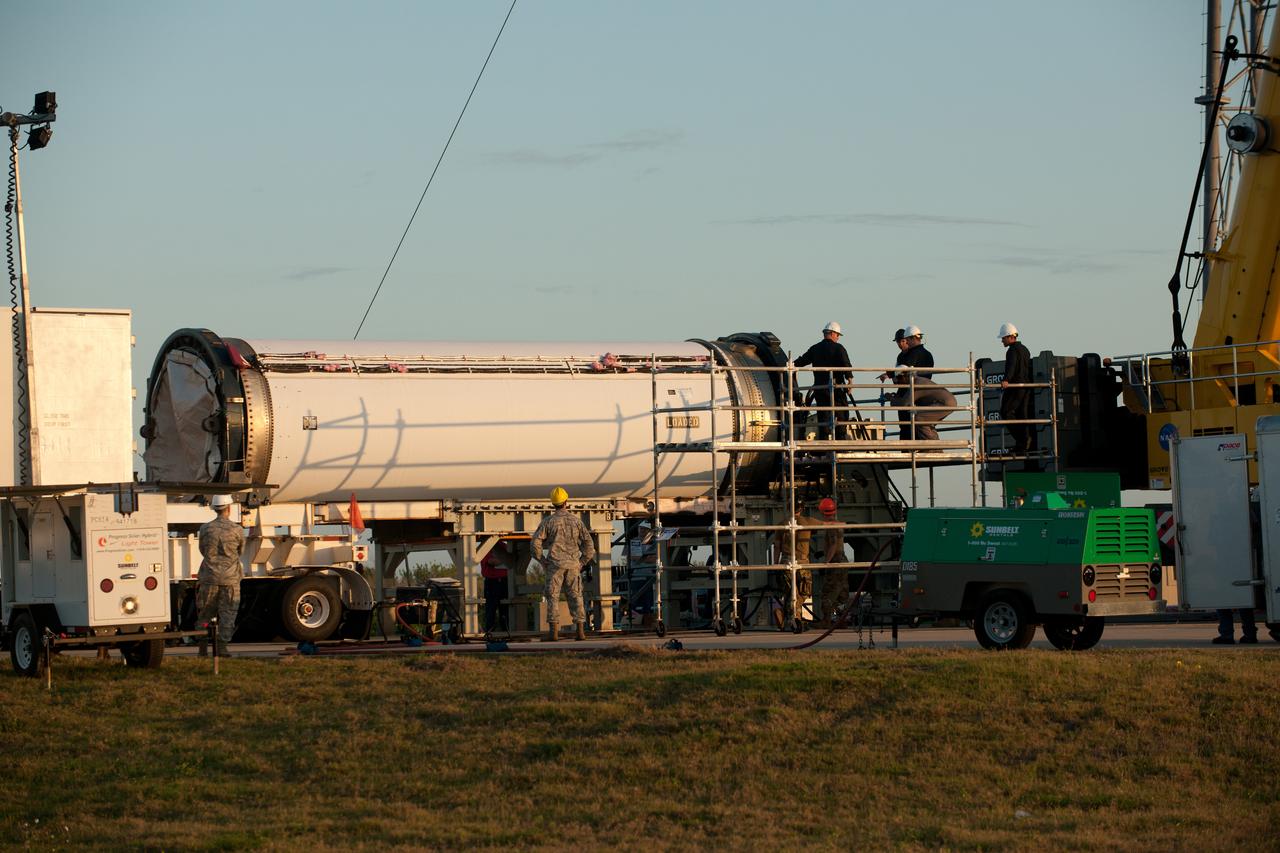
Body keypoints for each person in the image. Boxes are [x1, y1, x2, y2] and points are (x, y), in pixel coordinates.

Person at [531, 486, 596, 641]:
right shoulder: (577, 521)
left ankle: (553, 633)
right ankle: (580, 631)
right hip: (573, 565)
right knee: (576, 596)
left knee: (552, 596)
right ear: (566, 501)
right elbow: (589, 545)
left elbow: (535, 543)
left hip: (554, 565)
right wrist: (582, 561)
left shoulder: (548, 522)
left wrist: (542, 560)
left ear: (553, 503)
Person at [771, 503, 842, 628]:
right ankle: (795, 618)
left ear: (788, 508)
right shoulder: (808, 521)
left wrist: (775, 564)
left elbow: (777, 546)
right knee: (804, 592)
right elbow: (826, 525)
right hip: (803, 562)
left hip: (785, 561)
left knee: (790, 593)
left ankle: (786, 617)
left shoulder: (781, 524)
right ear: (802, 509)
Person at [196, 494, 246, 657]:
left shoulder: (205, 529)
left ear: (215, 509)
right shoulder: (237, 530)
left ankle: (202, 648)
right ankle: (222, 647)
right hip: (230, 578)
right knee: (228, 614)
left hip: (209, 577)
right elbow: (241, 551)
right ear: (229, 508)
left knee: (205, 613)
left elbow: (202, 550)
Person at [889, 324, 955, 440]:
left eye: (906, 340)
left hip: (913, 394)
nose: (904, 343)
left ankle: (924, 450)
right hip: (925, 397)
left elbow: (904, 402)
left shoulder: (911, 356)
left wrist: (892, 399)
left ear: (912, 338)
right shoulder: (927, 354)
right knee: (925, 424)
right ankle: (930, 449)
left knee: (911, 424)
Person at [794, 321, 852, 440]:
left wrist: (789, 365)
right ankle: (841, 447)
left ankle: (824, 449)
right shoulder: (839, 348)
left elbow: (801, 361)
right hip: (837, 390)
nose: (838, 338)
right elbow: (846, 365)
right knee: (842, 417)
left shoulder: (815, 348)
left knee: (823, 419)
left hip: (820, 389)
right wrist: (850, 382)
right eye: (837, 335)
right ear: (832, 333)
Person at [999, 323, 1036, 458]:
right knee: (1022, 415)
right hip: (1026, 386)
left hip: (1015, 386)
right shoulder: (1025, 349)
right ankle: (1024, 444)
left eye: (1003, 338)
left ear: (1010, 337)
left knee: (1006, 412)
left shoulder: (1012, 351)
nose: (1002, 341)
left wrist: (1006, 380)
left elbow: (1012, 366)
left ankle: (1022, 441)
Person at [480, 539, 512, 635]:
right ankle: (490, 633)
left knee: (505, 610)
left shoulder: (504, 546)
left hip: (504, 581)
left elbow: (509, 560)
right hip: (492, 582)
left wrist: (506, 560)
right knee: (491, 610)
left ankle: (506, 632)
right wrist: (506, 560)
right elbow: (491, 561)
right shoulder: (486, 546)